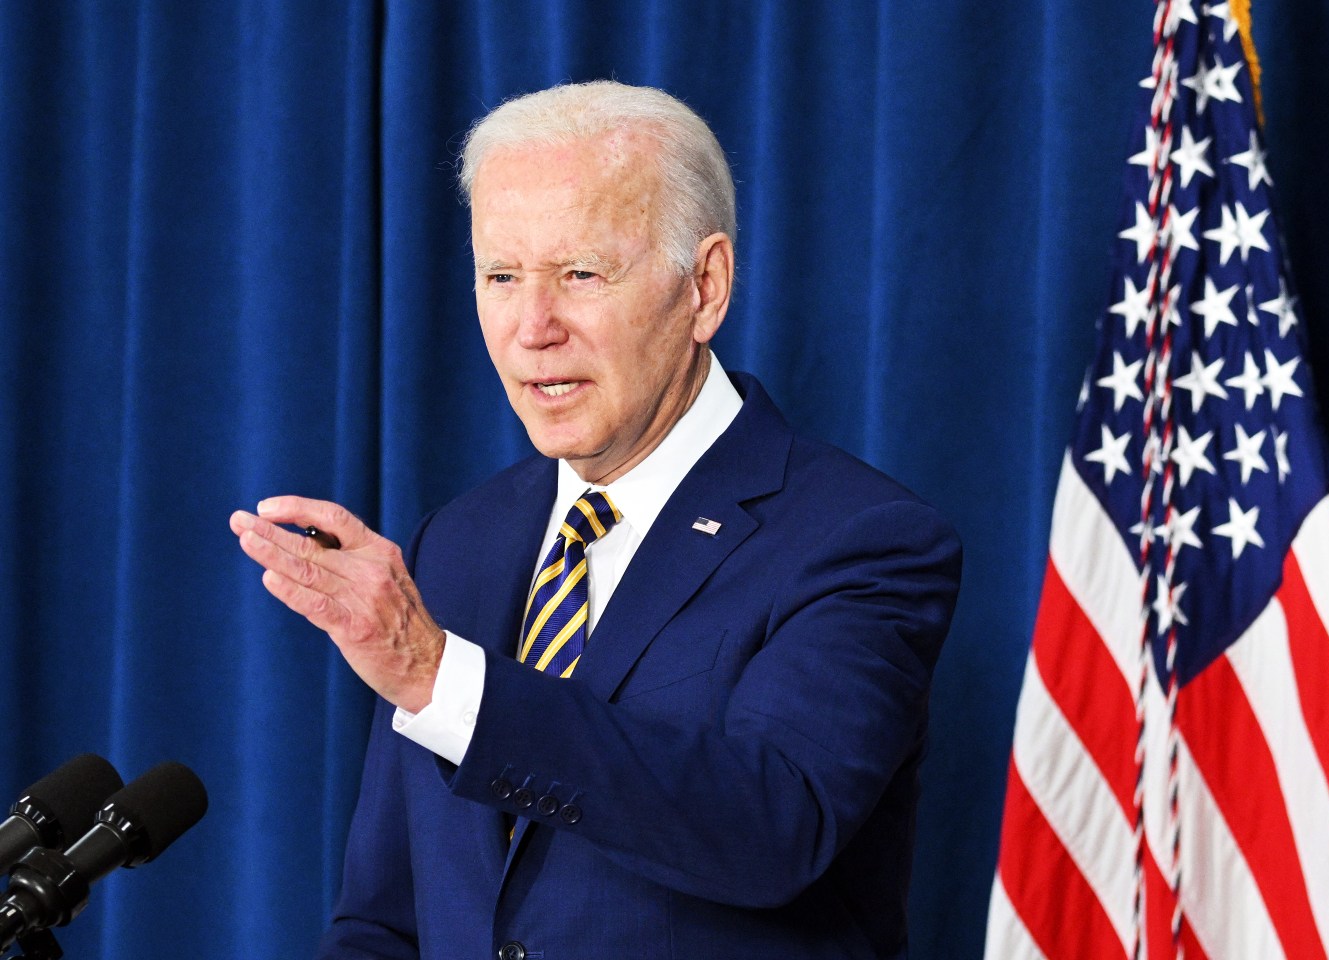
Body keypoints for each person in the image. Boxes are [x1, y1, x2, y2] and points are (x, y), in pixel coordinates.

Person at [230, 80, 962, 960]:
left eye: (581, 274)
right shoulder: (456, 543)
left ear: (705, 287)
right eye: (502, 276)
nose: (533, 327)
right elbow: (387, 920)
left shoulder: (861, 539)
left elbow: (773, 826)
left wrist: (443, 678)